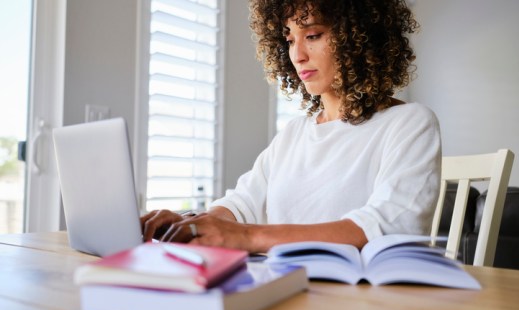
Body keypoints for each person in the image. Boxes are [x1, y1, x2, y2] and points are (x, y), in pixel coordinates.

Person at [141, 0, 441, 254]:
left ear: (360, 36)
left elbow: (389, 226)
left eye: (313, 35)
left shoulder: (409, 123)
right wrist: (191, 223)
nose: (297, 55)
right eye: (289, 39)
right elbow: (242, 204)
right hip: (282, 289)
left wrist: (247, 236)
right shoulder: (294, 134)